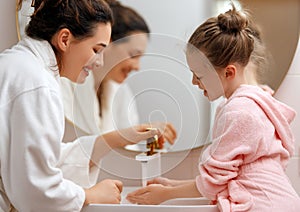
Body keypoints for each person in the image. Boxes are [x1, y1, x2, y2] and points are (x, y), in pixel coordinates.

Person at [0, 0, 173, 211]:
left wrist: (114, 138)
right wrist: (88, 195)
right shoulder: (37, 83)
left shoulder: (21, 67)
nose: (100, 62)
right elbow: (35, 188)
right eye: (97, 50)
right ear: (64, 39)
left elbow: (37, 161)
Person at [126, 4, 300, 211]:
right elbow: (223, 178)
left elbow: (213, 183)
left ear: (228, 73)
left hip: (263, 204)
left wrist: (166, 194)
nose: (193, 82)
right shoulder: (256, 103)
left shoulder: (239, 111)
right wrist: (172, 185)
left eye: (199, 75)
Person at [60, 0, 176, 142]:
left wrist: (145, 136)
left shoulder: (122, 92)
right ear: (108, 42)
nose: (137, 66)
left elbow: (128, 151)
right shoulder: (64, 82)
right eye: (133, 55)